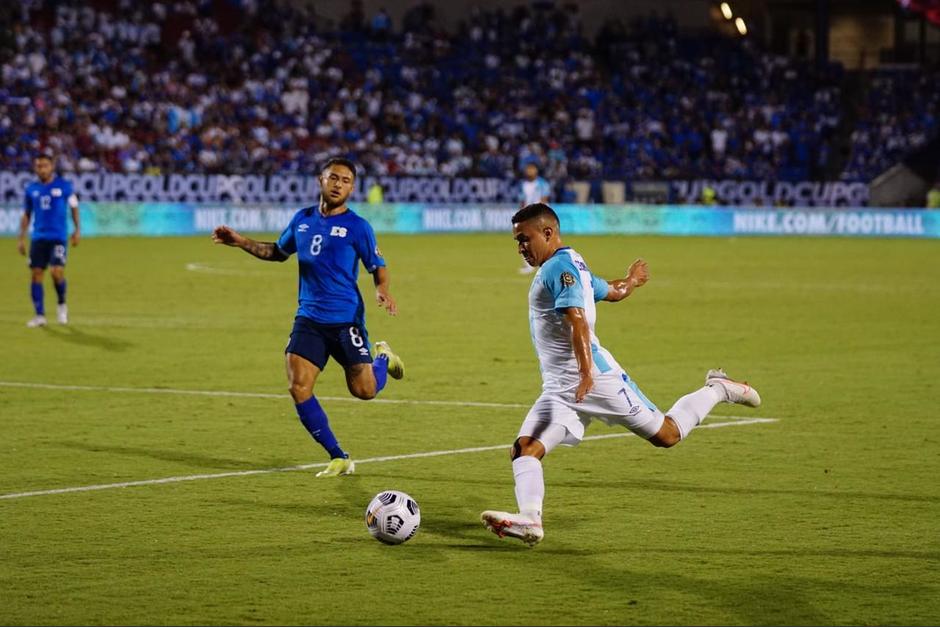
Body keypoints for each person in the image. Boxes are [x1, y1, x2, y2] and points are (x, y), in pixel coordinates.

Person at [481, 203, 761, 546]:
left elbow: (578, 321)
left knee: (667, 435)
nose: (521, 247)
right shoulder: (574, 264)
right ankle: (530, 520)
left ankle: (718, 388)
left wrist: (586, 373)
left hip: (596, 381)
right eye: (517, 242)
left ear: (549, 233)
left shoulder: (559, 267)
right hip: (560, 388)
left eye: (525, 239)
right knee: (525, 449)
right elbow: (610, 291)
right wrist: (631, 281)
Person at [212, 158, 404, 477]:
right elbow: (277, 252)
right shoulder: (301, 219)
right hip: (309, 319)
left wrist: (382, 290)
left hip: (346, 321)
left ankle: (382, 357)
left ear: (352, 188)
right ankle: (338, 456)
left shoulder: (359, 227)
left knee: (364, 391)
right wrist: (240, 241)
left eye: (345, 180)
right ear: (320, 180)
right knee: (298, 386)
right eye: (333, 178)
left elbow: (377, 266)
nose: (338, 184)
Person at [17, 151, 80, 327]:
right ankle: (40, 316)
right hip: (38, 238)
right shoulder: (31, 189)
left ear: (51, 166)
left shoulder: (65, 186)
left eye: (45, 165)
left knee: (56, 272)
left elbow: (74, 207)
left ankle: (61, 304)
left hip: (58, 237)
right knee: (36, 274)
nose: (41, 169)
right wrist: (21, 238)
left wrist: (77, 230)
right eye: (38, 166)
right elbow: (27, 214)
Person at [517, 163, 552, 274]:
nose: (530, 172)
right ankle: (529, 264)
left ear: (536, 171)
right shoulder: (523, 184)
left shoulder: (542, 183)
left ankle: (547, 264)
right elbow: (522, 201)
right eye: (528, 169)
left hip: (540, 215)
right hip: (528, 215)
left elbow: (544, 200)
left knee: (543, 240)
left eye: (532, 169)